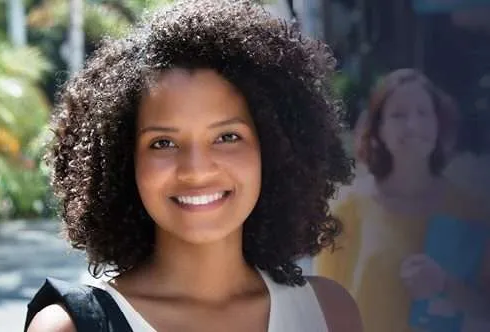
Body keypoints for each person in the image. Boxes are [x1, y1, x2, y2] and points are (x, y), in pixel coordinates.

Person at [24, 1, 361, 331]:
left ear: (273, 151)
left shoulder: (328, 312)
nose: (197, 170)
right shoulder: (68, 327)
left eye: (227, 137)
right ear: (124, 162)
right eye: (163, 143)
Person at [315, 68, 490, 332]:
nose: (412, 125)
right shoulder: (345, 210)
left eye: (423, 113)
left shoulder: (472, 210)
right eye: (398, 115)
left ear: (438, 124)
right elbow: (320, 311)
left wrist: (445, 286)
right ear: (379, 129)